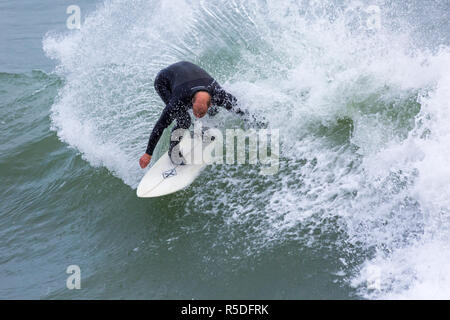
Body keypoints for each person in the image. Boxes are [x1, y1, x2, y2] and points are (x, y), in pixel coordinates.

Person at [139, 61, 246, 169]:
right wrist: (148, 153)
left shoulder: (219, 94)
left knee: (214, 111)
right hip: (164, 82)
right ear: (191, 101)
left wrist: (254, 120)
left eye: (201, 112)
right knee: (184, 119)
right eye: (196, 112)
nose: (198, 116)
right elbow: (161, 125)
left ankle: (199, 131)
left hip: (187, 76)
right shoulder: (179, 99)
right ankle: (173, 152)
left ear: (210, 103)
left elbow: (238, 109)